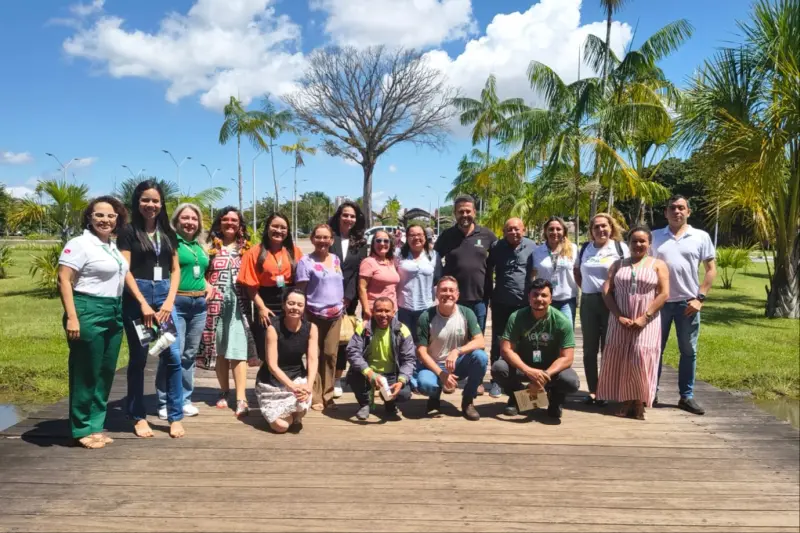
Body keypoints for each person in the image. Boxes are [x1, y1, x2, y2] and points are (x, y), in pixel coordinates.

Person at [58, 196, 129, 449]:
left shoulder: (110, 246)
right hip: (87, 308)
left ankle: (96, 425)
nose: (105, 220)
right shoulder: (79, 244)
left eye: (111, 216)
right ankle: (80, 428)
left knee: (105, 371)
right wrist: (73, 317)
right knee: (85, 371)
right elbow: (64, 280)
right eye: (99, 215)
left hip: (113, 309)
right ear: (89, 217)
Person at [118, 180, 185, 438]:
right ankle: (137, 416)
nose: (150, 205)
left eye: (155, 200)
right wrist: (143, 304)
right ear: (138, 202)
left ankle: (175, 415)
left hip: (165, 298)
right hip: (138, 300)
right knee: (140, 358)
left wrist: (169, 301)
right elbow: (125, 270)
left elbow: (175, 269)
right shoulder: (128, 232)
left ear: (161, 203)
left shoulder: (168, 232)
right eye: (145, 200)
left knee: (172, 357)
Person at [652, 195, 717, 415]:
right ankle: (651, 392)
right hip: (659, 302)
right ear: (666, 212)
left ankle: (686, 396)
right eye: (672, 208)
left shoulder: (700, 237)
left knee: (688, 351)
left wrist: (700, 298)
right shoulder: (654, 237)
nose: (677, 211)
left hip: (687, 304)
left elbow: (710, 270)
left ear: (688, 211)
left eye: (681, 208)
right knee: (654, 350)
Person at [598, 227, 670, 419]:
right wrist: (618, 315)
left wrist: (645, 317)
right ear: (628, 243)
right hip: (620, 319)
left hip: (647, 319)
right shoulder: (618, 264)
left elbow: (664, 293)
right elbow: (607, 291)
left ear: (649, 243)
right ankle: (624, 399)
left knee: (640, 356)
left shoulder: (658, 264)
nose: (638, 245)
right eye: (634, 241)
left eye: (642, 241)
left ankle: (638, 400)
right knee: (619, 357)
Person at [492, 278, 580, 420]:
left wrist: (544, 375)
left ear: (551, 299)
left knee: (570, 381)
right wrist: (528, 370)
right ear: (529, 297)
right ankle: (517, 396)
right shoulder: (516, 317)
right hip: (524, 365)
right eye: (535, 295)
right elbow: (506, 349)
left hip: (550, 368)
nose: (539, 299)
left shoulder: (562, 321)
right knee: (498, 368)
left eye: (544, 295)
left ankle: (555, 400)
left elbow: (567, 357)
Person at [198, 208, 257, 417]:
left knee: (238, 349)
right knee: (220, 349)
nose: (230, 223)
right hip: (215, 304)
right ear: (219, 223)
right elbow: (200, 271)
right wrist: (207, 286)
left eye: (234, 220)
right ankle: (224, 391)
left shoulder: (248, 249)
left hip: (239, 306)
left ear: (240, 224)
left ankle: (242, 397)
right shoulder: (208, 247)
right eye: (225, 219)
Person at [155, 203, 209, 420]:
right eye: (185, 218)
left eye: (194, 219)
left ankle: (184, 399)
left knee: (189, 355)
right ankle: (164, 401)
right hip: (175, 303)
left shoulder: (199, 246)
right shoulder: (169, 243)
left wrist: (207, 284)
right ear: (176, 221)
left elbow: (198, 272)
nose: (189, 222)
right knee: (171, 353)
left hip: (198, 306)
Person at [415, 276, 489, 421]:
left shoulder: (466, 313)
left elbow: (480, 341)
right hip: (434, 366)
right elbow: (421, 352)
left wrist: (457, 351)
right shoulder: (426, 316)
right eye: (443, 290)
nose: (447, 294)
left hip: (457, 363)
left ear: (457, 294)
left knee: (481, 357)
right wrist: (441, 374)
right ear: (436, 294)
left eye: (451, 290)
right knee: (424, 384)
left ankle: (468, 400)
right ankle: (434, 397)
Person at [574, 212, 629, 405]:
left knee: (609, 347)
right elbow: (577, 271)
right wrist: (587, 288)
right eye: (596, 227)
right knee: (589, 349)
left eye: (604, 226)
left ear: (611, 227)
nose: (600, 230)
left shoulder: (620, 248)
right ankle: (593, 389)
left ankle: (607, 389)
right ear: (591, 231)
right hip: (589, 302)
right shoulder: (585, 249)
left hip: (612, 302)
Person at [238, 213, 302, 365]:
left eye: (283, 228)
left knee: (289, 343)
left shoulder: (294, 251)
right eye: (275, 226)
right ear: (267, 228)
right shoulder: (254, 253)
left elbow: (301, 281)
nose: (279, 230)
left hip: (289, 302)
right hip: (265, 303)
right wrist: (261, 308)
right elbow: (251, 286)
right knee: (267, 344)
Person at [295, 224, 344, 411]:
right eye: (319, 237)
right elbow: (300, 290)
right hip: (313, 315)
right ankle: (315, 396)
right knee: (314, 355)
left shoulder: (336, 259)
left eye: (326, 237)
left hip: (335, 316)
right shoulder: (305, 261)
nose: (322, 241)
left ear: (332, 240)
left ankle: (328, 395)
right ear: (312, 239)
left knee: (331, 355)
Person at [255, 290, 319, 433]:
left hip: (297, 377)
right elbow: (272, 365)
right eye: (291, 303)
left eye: (299, 305)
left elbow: (313, 359)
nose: (295, 307)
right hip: (272, 381)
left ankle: (294, 413)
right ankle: (285, 414)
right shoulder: (273, 327)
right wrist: (292, 387)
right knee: (282, 426)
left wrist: (308, 385)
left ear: (304, 308)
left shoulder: (311, 328)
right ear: (284, 305)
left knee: (299, 408)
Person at [434, 194, 497, 334]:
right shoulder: (447, 236)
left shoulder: (487, 235)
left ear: (474, 212)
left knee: (477, 338)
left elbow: (497, 263)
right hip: (453, 299)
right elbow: (434, 260)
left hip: (479, 300)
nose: (465, 215)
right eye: (460, 211)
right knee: (454, 338)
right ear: (455, 214)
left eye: (468, 211)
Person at [487, 218, 535, 398]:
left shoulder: (532, 247)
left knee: (524, 342)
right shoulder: (496, 247)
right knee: (498, 342)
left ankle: (522, 378)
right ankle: (496, 381)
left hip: (524, 304)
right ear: (504, 231)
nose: (513, 232)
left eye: (517, 229)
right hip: (501, 302)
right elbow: (487, 270)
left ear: (524, 229)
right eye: (509, 229)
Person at [346, 297, 414, 421]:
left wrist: (402, 380)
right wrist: (369, 373)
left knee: (404, 393)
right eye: (379, 310)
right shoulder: (364, 327)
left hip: (392, 373)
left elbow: (409, 359)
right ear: (372, 311)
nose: (383, 315)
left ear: (394, 312)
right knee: (354, 374)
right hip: (368, 372)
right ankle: (365, 403)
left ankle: (390, 404)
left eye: (387, 311)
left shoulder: (402, 330)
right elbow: (352, 351)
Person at [329, 201, 369, 398]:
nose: (349, 219)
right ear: (339, 216)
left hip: (348, 298)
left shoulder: (360, 242)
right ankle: (323, 376)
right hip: (326, 296)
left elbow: (357, 273)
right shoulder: (329, 237)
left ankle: (337, 377)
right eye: (345, 215)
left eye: (352, 216)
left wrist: (348, 297)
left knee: (343, 338)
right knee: (325, 339)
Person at [530, 217, 579, 325]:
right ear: (546, 232)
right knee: (545, 335)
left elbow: (578, 273)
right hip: (543, 300)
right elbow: (532, 276)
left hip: (566, 300)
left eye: (558, 229)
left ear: (564, 231)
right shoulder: (537, 252)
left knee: (565, 334)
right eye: (551, 229)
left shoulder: (573, 249)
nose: (554, 232)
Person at [395, 224, 439, 341]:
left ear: (425, 237)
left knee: (423, 342)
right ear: (407, 237)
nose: (416, 238)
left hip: (426, 308)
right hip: (403, 307)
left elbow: (438, 280)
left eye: (419, 234)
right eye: (412, 235)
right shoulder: (398, 254)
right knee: (404, 342)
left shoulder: (434, 255)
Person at [358, 229, 400, 319]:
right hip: (375, 312)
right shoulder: (368, 262)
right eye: (378, 240)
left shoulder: (392, 261)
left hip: (392, 311)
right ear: (373, 243)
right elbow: (362, 287)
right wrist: (366, 310)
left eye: (386, 241)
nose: (382, 243)